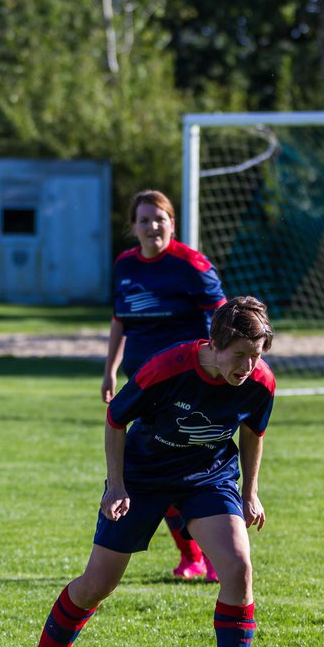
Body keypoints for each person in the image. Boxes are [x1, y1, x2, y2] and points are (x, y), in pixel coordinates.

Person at [17, 296, 276, 647]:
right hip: (144, 476)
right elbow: (116, 419)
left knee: (239, 567)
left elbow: (252, 433)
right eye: (240, 355)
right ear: (215, 344)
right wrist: (116, 486)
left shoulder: (260, 382)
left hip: (208, 478)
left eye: (256, 356)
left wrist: (251, 492)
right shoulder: (168, 368)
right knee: (97, 585)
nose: (248, 367)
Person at [102, 189, 227, 582]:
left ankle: (207, 555)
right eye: (144, 219)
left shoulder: (190, 264)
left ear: (172, 223)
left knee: (183, 471)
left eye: (160, 219)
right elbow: (121, 319)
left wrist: (223, 366)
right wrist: (110, 369)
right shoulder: (125, 265)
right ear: (132, 226)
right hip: (143, 386)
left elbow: (223, 317)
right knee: (159, 469)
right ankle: (192, 557)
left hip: (187, 385)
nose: (152, 226)